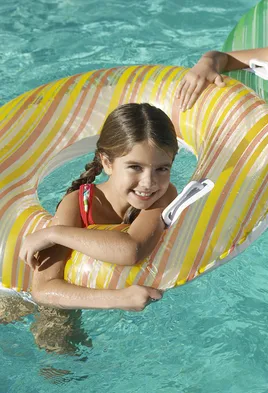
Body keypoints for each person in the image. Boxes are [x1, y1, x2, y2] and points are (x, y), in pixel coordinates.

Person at [18, 102, 179, 312]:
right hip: (58, 301)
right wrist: (118, 299)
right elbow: (43, 289)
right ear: (107, 163)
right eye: (135, 167)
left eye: (162, 168)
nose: (148, 182)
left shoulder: (163, 195)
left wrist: (55, 234)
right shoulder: (78, 205)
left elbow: (132, 248)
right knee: (55, 337)